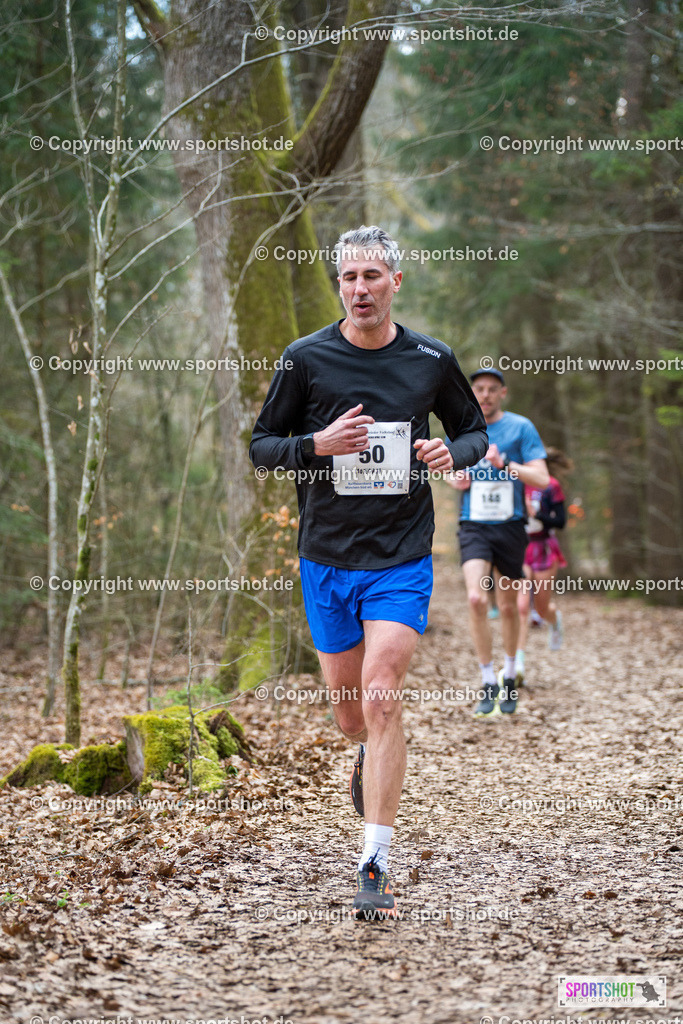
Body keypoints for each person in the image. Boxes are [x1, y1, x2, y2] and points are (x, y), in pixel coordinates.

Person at [250, 225, 487, 920]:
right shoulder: (304, 359)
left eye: (372, 277)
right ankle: (364, 753)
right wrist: (312, 445)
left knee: (382, 695)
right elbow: (262, 447)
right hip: (325, 555)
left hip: (400, 554)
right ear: (339, 287)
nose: (360, 289)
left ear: (395, 282)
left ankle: (374, 861)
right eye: (348, 279)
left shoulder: (429, 358)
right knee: (349, 711)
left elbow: (472, 428)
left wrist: (454, 453)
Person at [446, 369, 549, 717]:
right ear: (471, 393)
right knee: (476, 598)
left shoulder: (521, 428)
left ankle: (509, 673)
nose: (485, 395)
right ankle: (487, 679)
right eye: (479, 389)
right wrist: (454, 478)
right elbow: (447, 469)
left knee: (507, 606)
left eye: (492, 389)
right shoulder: (459, 427)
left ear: (503, 393)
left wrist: (505, 464)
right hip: (474, 525)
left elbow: (543, 478)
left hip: (510, 527)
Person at [514, 448, 572, 678]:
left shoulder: (551, 486)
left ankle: (553, 619)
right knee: (520, 607)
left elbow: (561, 522)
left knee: (541, 607)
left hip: (544, 548)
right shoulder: (515, 482)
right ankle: (517, 662)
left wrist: (536, 515)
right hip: (520, 547)